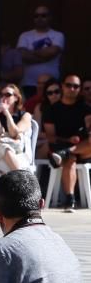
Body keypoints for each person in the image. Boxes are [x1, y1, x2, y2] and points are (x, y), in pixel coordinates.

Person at [45, 74, 91, 211]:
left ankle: (65, 153)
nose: (72, 88)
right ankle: (70, 198)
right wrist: (68, 140)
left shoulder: (85, 108)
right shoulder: (52, 109)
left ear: (80, 89)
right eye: (69, 85)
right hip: (61, 145)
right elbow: (50, 137)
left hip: (83, 148)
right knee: (70, 160)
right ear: (62, 86)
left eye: (76, 86)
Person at [17, 5, 64, 97]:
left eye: (43, 15)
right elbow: (22, 56)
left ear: (50, 17)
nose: (39, 18)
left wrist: (30, 52)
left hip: (51, 84)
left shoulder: (58, 35)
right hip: (28, 83)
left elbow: (52, 52)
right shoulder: (25, 35)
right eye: (36, 16)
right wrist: (44, 56)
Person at [0, 83, 33, 174]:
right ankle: (21, 180)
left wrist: (7, 114)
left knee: (5, 165)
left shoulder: (25, 115)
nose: (4, 98)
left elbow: (14, 133)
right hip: (0, 151)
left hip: (20, 152)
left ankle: (18, 181)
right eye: (1, 95)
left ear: (16, 98)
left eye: (8, 95)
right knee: (5, 148)